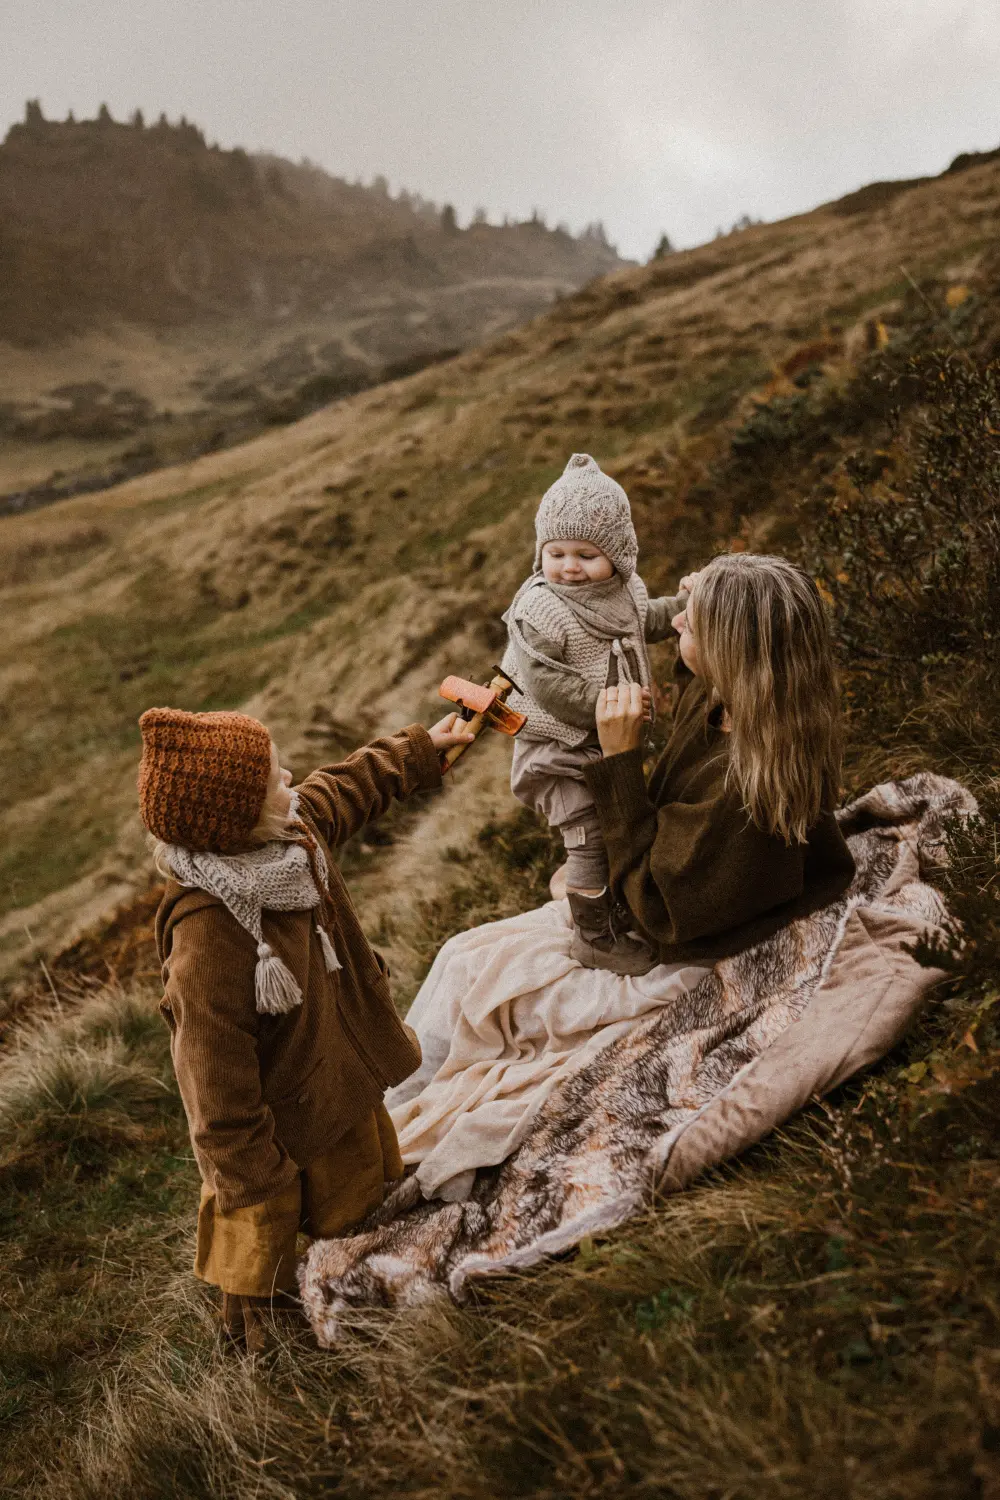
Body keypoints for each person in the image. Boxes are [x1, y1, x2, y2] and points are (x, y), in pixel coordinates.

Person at [138, 703, 474, 1352]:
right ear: (232, 819)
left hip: (336, 1075)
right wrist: (252, 1174)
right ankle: (277, 1352)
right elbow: (210, 1078)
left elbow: (345, 786)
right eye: (272, 780)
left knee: (361, 1204)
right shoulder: (206, 936)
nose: (289, 778)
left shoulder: (289, 837)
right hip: (271, 1130)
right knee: (266, 1258)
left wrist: (419, 751)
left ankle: (363, 1293)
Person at [584, 552, 857, 964]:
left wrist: (619, 760)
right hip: (685, 876)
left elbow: (657, 912)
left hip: (696, 937)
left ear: (725, 656)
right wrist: (710, 599)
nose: (675, 622)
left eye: (689, 625)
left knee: (469, 960)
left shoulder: (739, 790)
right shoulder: (748, 705)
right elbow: (691, 679)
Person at [500, 452, 690, 976]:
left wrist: (682, 611)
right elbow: (544, 680)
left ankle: (608, 896)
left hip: (604, 743)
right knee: (590, 834)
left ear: (619, 555)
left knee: (618, 820)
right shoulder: (542, 608)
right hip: (556, 749)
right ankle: (591, 933)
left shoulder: (623, 591)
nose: (568, 566)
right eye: (555, 552)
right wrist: (607, 706)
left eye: (585, 553)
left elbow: (641, 620)